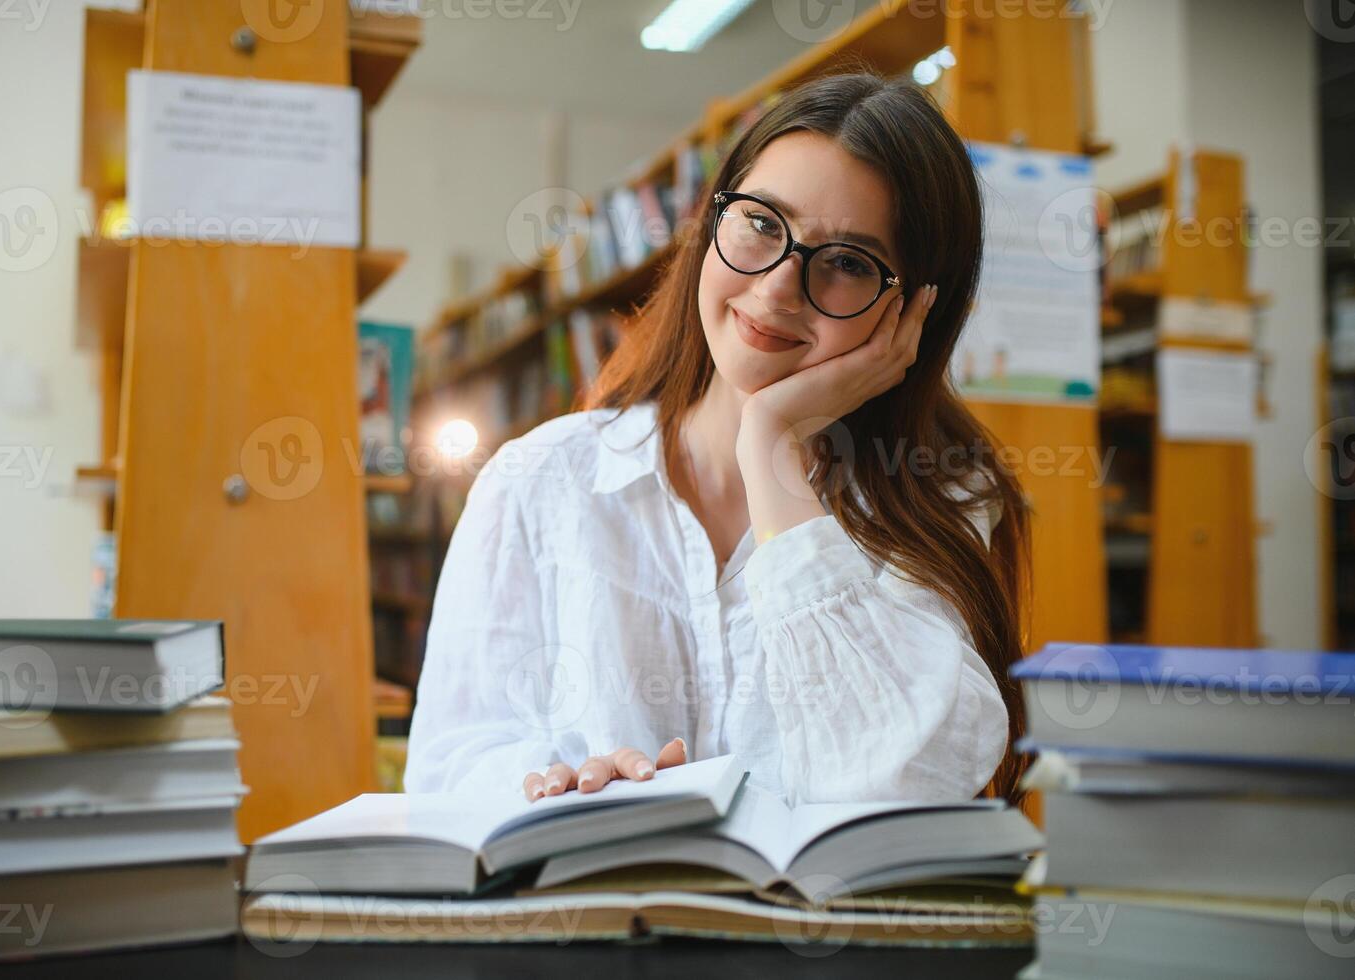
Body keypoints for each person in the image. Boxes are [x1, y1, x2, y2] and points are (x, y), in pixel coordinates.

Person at [405, 71, 1030, 809]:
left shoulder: (943, 493)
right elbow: (448, 766)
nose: (774, 289)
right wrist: (551, 786)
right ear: (711, 221)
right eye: (762, 223)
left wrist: (771, 449)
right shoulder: (538, 479)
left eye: (848, 264)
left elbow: (908, 782)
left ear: (914, 313)